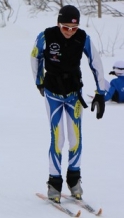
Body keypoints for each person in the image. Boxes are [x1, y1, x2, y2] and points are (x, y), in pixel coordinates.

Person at [30, 5, 106, 203]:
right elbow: (35, 56)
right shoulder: (46, 36)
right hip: (53, 94)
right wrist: (39, 82)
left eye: (73, 28)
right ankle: (54, 183)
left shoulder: (83, 38)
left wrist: (100, 92)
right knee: (58, 138)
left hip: (74, 94)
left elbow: (96, 63)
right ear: (58, 23)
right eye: (65, 28)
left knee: (75, 138)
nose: (70, 32)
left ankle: (74, 180)